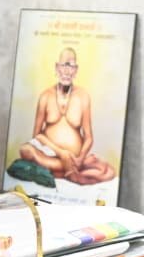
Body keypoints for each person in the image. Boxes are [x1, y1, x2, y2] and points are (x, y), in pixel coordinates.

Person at [18, 47, 116, 184]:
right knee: (25, 150)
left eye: (71, 67)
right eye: (64, 65)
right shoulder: (45, 96)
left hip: (74, 158)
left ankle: (66, 168)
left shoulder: (83, 96)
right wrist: (61, 153)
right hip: (49, 154)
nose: (66, 71)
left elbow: (88, 137)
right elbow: (37, 135)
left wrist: (80, 158)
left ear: (76, 70)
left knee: (108, 170)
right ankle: (68, 169)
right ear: (57, 67)